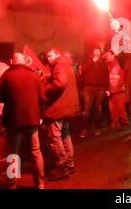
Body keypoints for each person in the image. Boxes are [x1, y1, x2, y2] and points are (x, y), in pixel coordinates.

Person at [0, 53, 46, 189]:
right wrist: (40, 116)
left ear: (12, 61)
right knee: (36, 151)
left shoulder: (7, 76)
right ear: (24, 61)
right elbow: (43, 98)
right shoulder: (34, 76)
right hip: (32, 118)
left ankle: (12, 184)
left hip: (13, 119)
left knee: (13, 152)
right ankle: (40, 183)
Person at [44, 48, 81, 180]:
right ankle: (70, 163)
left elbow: (60, 82)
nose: (48, 58)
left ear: (57, 54)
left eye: (50, 55)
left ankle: (62, 166)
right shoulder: (66, 64)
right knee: (65, 135)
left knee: (55, 137)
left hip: (58, 108)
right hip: (67, 107)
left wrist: (44, 88)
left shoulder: (59, 65)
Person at [79, 48, 109, 137]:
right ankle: (84, 128)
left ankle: (95, 127)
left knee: (98, 110)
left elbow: (106, 75)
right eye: (95, 50)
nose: (96, 51)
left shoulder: (103, 62)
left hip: (99, 89)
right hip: (88, 88)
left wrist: (107, 88)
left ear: (100, 52)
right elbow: (83, 70)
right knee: (86, 110)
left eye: (98, 50)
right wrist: (93, 61)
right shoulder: (87, 61)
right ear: (92, 52)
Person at [105, 50, 128, 130]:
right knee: (112, 108)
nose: (106, 57)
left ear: (113, 56)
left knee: (120, 107)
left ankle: (123, 122)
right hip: (111, 90)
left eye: (108, 55)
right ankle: (115, 123)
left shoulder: (119, 64)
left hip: (118, 90)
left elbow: (122, 76)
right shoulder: (107, 65)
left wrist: (120, 86)